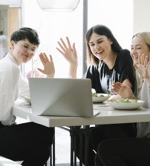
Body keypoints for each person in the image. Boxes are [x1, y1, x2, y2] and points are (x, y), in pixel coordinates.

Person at [0, 27, 55, 166]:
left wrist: (50, 75)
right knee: (45, 128)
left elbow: (32, 93)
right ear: (12, 44)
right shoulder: (8, 68)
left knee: (41, 150)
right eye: (25, 46)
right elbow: (4, 114)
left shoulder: (11, 67)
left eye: (33, 49)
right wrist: (16, 130)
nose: (29, 52)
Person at [57, 24, 137, 165]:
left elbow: (126, 90)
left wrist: (115, 95)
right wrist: (73, 64)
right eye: (92, 44)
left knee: (96, 138)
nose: (96, 48)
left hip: (123, 125)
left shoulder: (124, 56)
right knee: (78, 138)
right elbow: (76, 91)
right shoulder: (96, 67)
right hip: (104, 123)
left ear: (110, 40)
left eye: (100, 41)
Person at [95, 32, 150, 166]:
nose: (133, 52)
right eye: (132, 47)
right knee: (100, 152)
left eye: (138, 47)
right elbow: (148, 108)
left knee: (106, 149)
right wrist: (130, 97)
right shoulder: (142, 74)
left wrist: (149, 78)